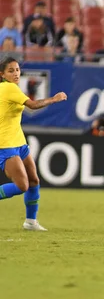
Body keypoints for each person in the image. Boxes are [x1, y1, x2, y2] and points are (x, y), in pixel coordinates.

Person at [0, 57, 68, 231]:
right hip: (5, 145)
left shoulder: (11, 88)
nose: (15, 73)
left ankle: (31, 222)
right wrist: (54, 99)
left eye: (17, 70)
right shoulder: (8, 88)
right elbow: (32, 104)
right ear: (2, 74)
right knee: (22, 185)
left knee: (33, 180)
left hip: (19, 142)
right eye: (11, 71)